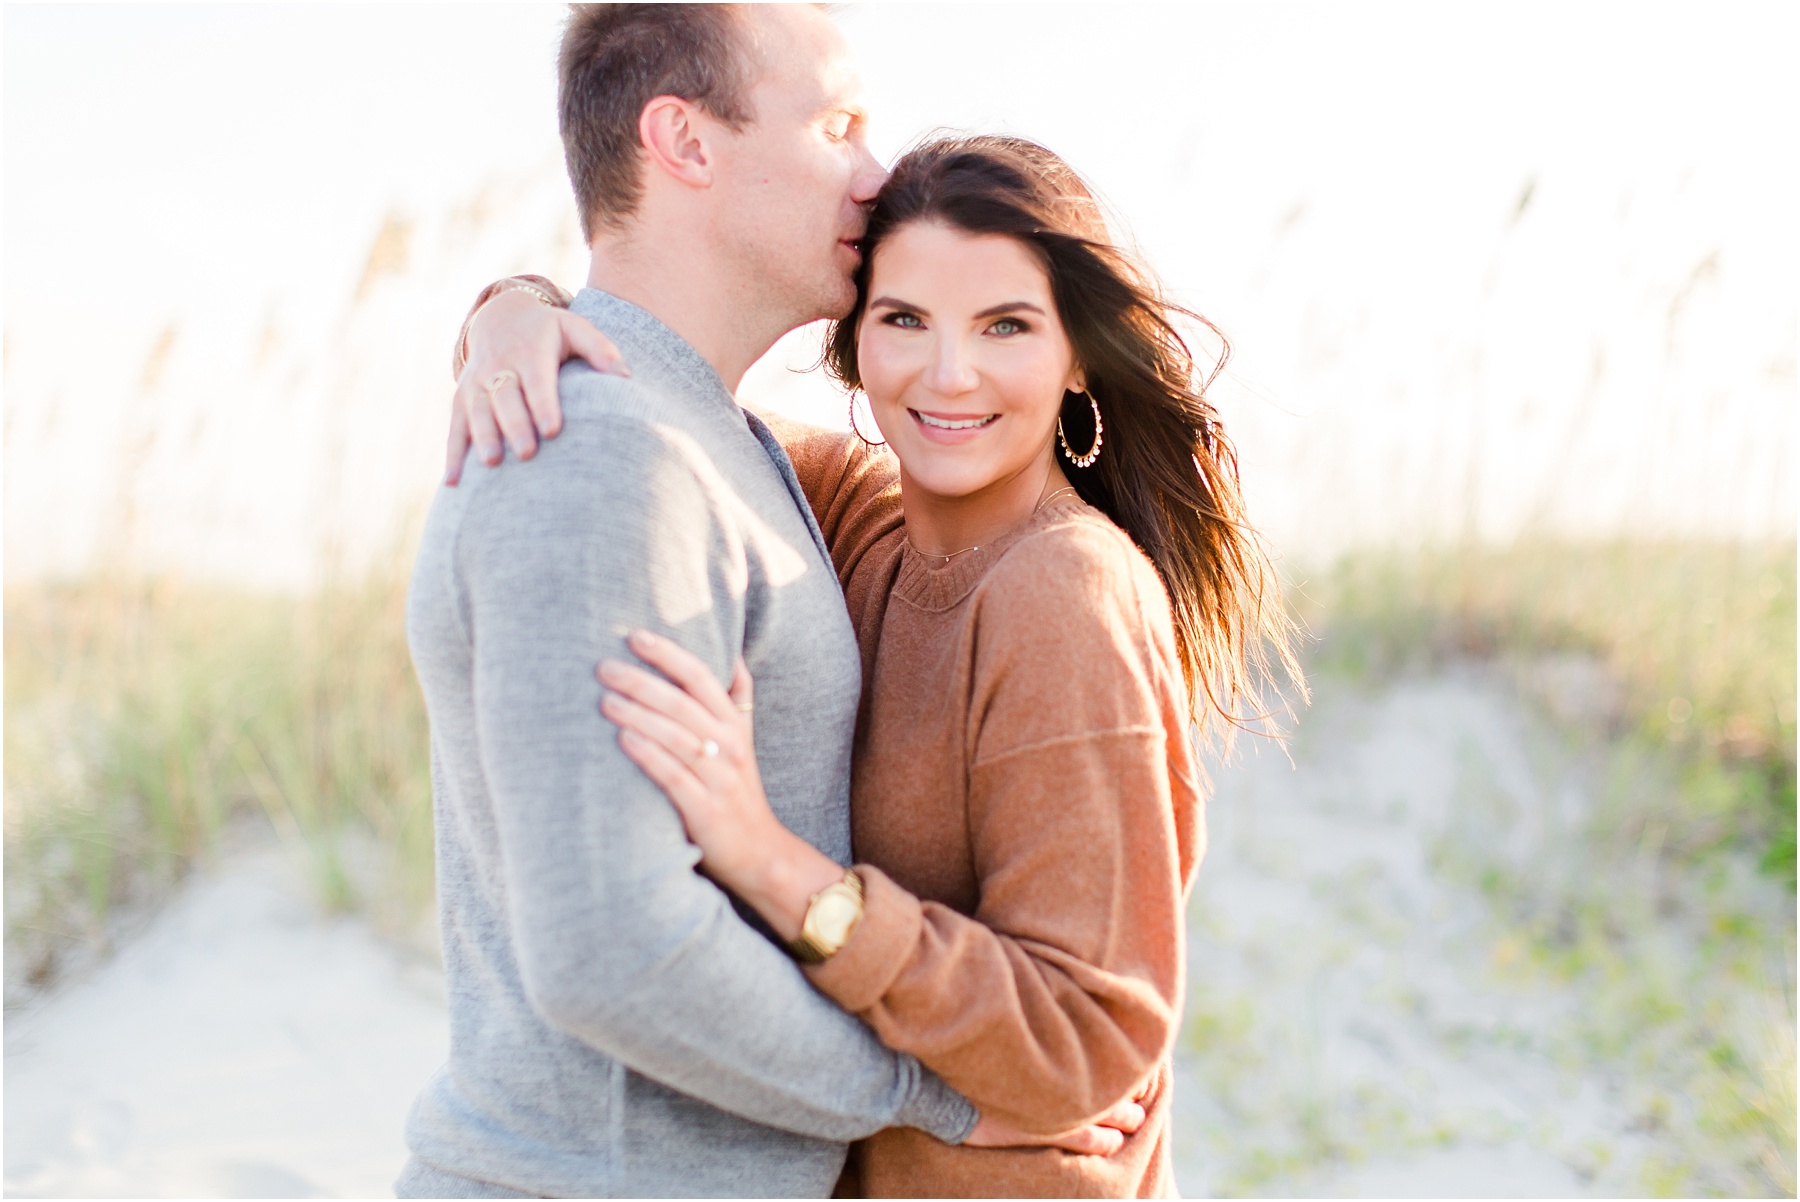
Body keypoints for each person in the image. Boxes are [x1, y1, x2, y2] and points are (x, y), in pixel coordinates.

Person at [451, 132, 1302, 1195]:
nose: (950, 374)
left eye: (1006, 325)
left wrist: (774, 863)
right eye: (905, 320)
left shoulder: (1066, 592)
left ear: (1077, 351)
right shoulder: (860, 517)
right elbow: (651, 386)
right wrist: (513, 312)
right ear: (855, 342)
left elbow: (1093, 1030)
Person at [400, 7, 1134, 1198]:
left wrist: (511, 299)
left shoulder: (716, 441)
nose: (877, 171)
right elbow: (609, 949)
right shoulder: (600, 456)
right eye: (836, 123)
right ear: (682, 140)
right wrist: (933, 1094)